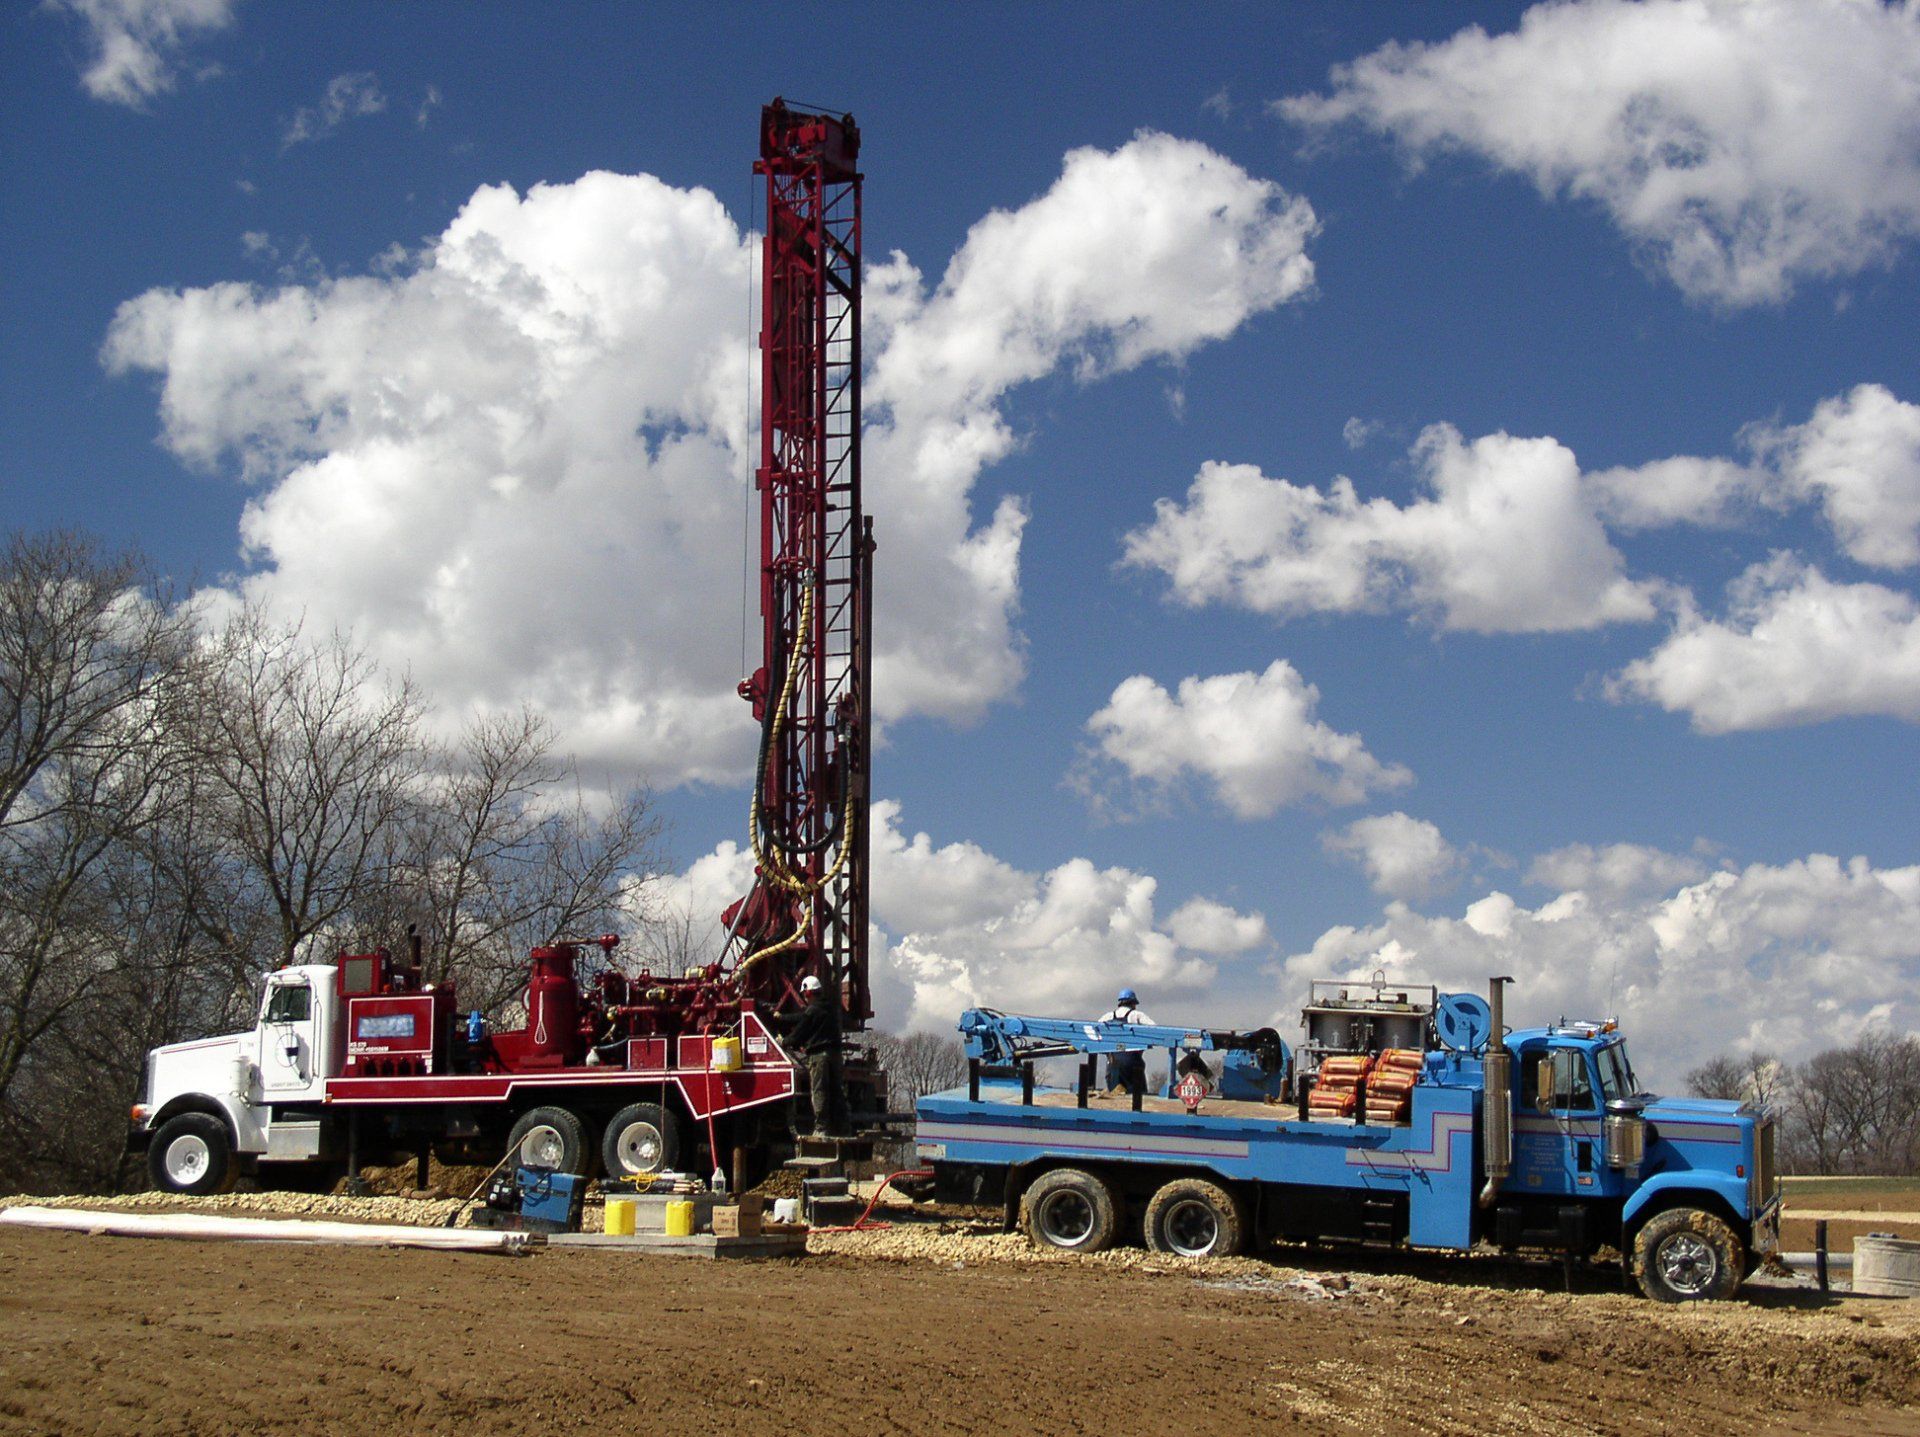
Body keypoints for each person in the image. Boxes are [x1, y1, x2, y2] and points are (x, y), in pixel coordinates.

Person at [783, 974, 849, 1138]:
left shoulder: (812, 1011)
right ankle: (843, 1127)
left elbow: (799, 1033)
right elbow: (805, 1017)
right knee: (836, 1090)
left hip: (819, 1057)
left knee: (819, 1091)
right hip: (835, 1055)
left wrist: (784, 1041)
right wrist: (784, 1017)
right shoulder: (831, 1007)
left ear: (808, 993)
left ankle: (821, 1128)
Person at [1097, 988, 1156, 1099]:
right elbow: (1155, 1029)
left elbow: (1094, 1032)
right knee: (1137, 1099)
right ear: (1133, 1003)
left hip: (1113, 1064)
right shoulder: (1136, 1015)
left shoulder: (1107, 1016)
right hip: (1132, 1064)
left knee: (1115, 1099)